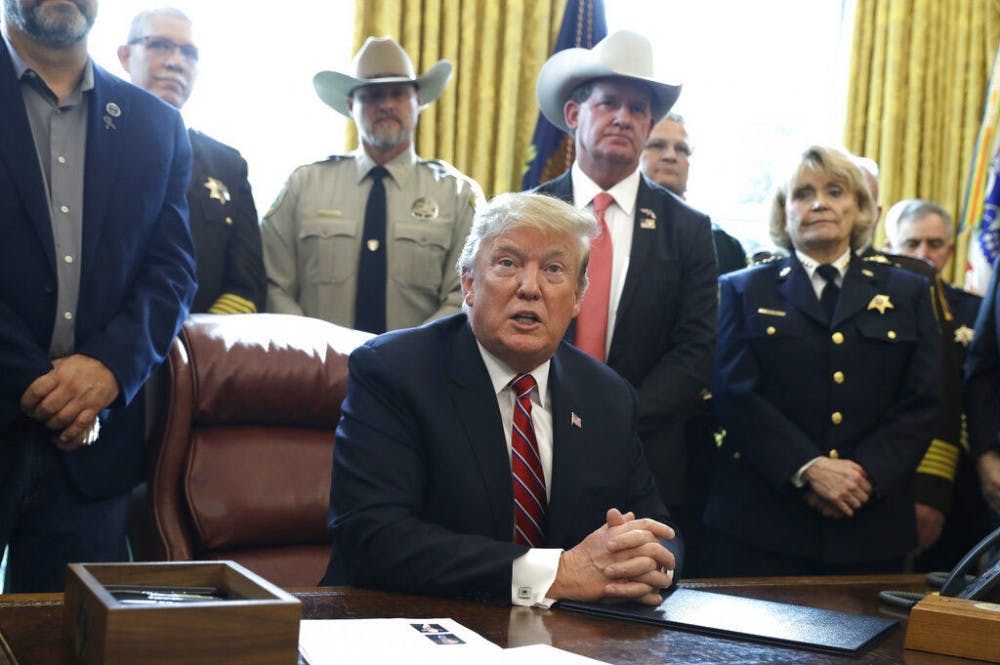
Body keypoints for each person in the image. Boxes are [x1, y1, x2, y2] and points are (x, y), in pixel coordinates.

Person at [323, 192, 678, 606]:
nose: (530, 288)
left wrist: (646, 560)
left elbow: (659, 528)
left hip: (560, 639)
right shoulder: (393, 371)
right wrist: (554, 575)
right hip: (405, 624)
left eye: (554, 269)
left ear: (579, 295)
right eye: (508, 263)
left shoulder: (607, 395)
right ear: (469, 282)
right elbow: (373, 538)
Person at [0, 0, 196, 591]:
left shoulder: (156, 124)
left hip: (94, 447)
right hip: (38, 404)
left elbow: (173, 271)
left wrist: (110, 368)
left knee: (70, 646)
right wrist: (34, 379)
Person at [706, 145, 941, 576]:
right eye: (802, 194)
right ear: (783, 212)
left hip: (870, 523)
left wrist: (862, 476)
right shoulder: (743, 289)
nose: (819, 203)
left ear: (858, 207)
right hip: (763, 525)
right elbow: (733, 392)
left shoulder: (908, 290)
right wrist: (808, 468)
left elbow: (923, 401)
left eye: (835, 191)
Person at [531, 30, 718, 560]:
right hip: (528, 444)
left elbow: (696, 350)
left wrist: (613, 414)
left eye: (638, 108)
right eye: (609, 102)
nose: (624, 117)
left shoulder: (688, 229)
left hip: (644, 459)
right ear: (573, 113)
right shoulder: (526, 213)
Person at [262, 36, 482, 334]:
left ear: (418, 101)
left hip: (418, 373)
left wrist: (406, 356)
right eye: (372, 96)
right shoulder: (303, 186)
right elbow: (273, 284)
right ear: (351, 105)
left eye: (398, 94)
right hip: (313, 371)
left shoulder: (457, 196)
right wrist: (313, 353)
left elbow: (465, 295)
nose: (386, 105)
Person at [118, 8, 264, 314]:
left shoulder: (228, 166)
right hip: (99, 351)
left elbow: (246, 286)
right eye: (159, 45)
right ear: (125, 56)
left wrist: (189, 346)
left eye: (189, 53)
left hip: (198, 351)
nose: (175, 62)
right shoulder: (92, 145)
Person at [884, 198, 990, 569]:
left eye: (934, 244)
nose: (924, 254)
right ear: (890, 248)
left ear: (949, 249)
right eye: (912, 244)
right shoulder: (873, 309)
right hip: (888, 468)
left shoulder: (976, 309)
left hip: (963, 471)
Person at [640, 112, 746, 274]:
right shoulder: (609, 226)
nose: (671, 156)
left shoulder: (721, 244)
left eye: (682, 149)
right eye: (657, 145)